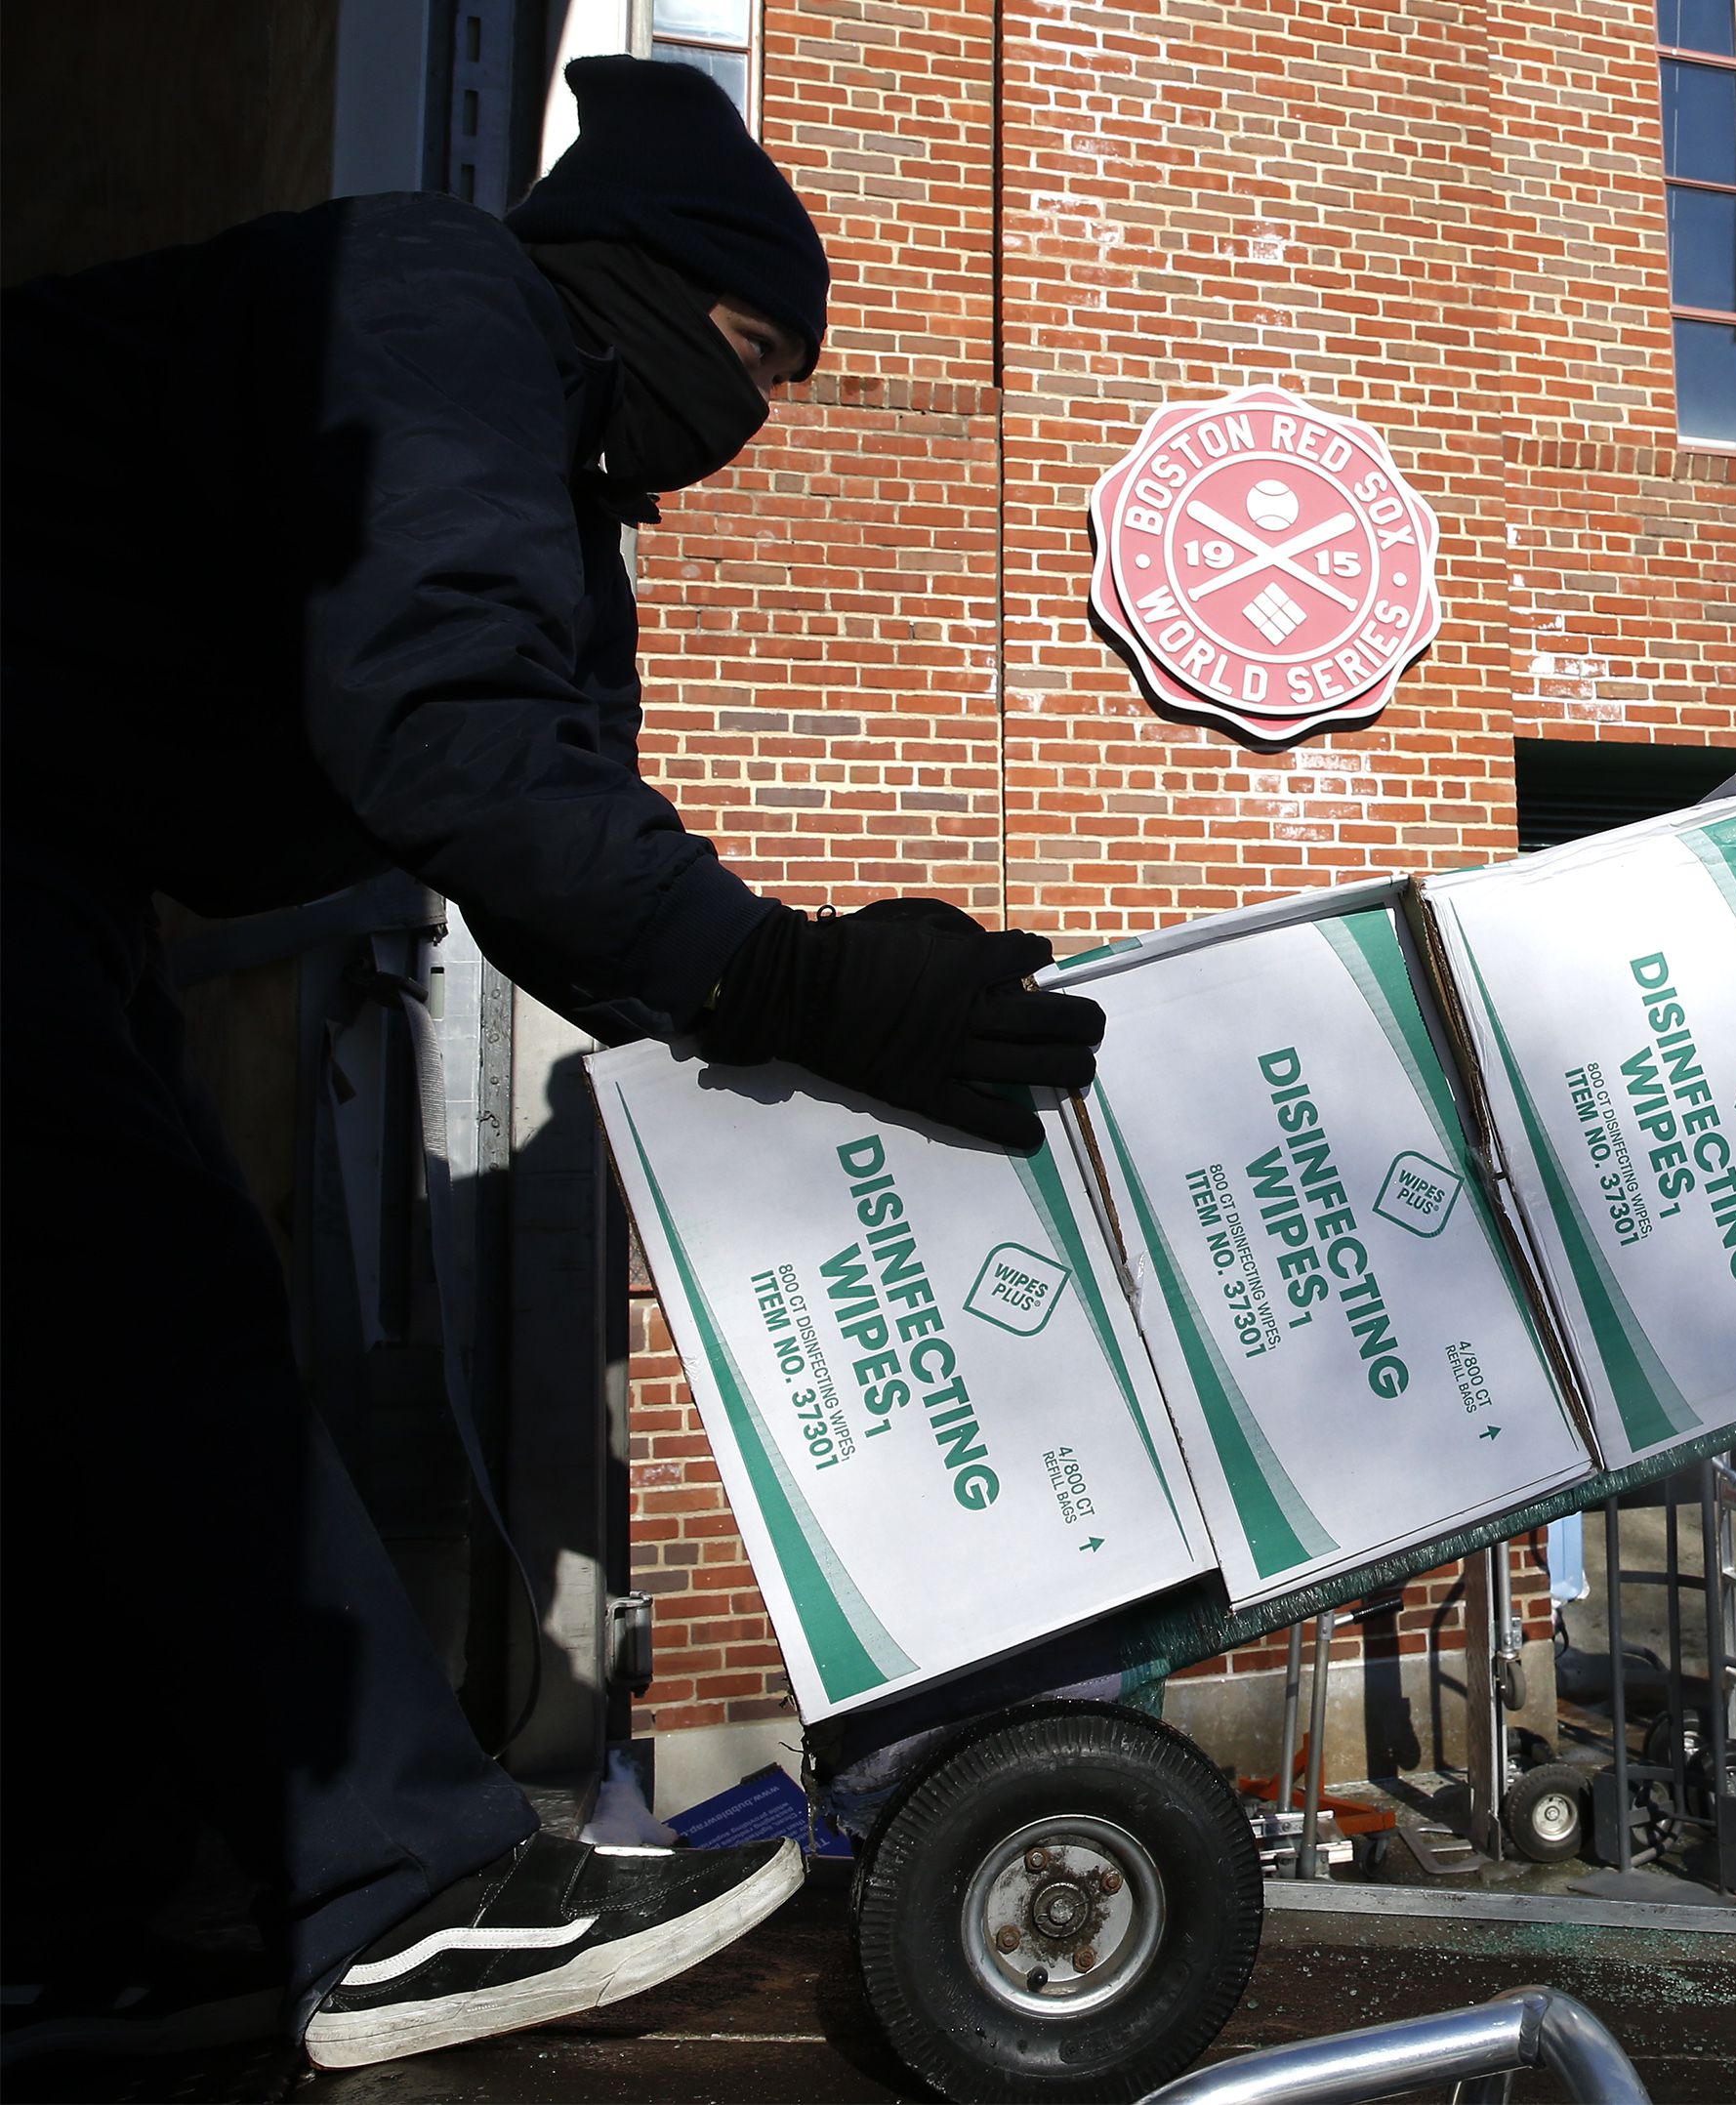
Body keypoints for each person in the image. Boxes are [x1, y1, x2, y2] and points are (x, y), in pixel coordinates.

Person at [0, 57, 1102, 2080]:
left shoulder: (553, 480)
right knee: (146, 1326)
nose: (753, 417)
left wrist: (826, 1009)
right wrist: (783, 975)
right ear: (646, 277)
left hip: (60, 853)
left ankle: (75, 1911)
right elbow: (452, 739)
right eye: (755, 352)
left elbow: (550, 823)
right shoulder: (445, 309)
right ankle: (402, 1895)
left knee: (102, 1353)